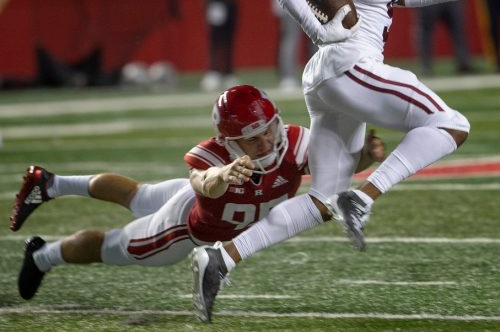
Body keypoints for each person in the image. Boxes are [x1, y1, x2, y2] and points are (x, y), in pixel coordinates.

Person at [190, 0, 497, 322]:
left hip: (334, 76)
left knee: (323, 200)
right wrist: (319, 28)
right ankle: (367, 196)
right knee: (452, 124)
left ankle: (221, 258)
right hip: (351, 65)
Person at [10, 84, 384, 301]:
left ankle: (50, 183)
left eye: (269, 127)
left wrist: (364, 154)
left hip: (209, 213)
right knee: (117, 247)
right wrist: (223, 174)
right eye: (253, 136)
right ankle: (42, 256)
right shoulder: (212, 155)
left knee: (140, 196)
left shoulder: (296, 142)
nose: (267, 139)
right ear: (230, 141)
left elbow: (337, 170)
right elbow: (203, 183)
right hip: (186, 228)